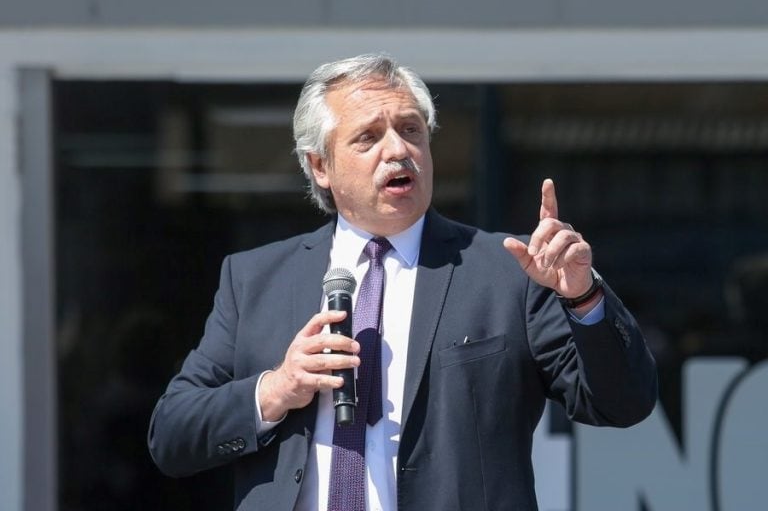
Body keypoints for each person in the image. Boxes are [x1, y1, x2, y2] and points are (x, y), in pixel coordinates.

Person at [148, 53, 657, 511]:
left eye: (411, 130)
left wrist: (584, 296)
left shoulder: (506, 271)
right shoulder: (255, 279)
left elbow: (623, 403)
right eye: (369, 137)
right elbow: (171, 436)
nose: (398, 150)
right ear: (320, 166)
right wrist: (277, 388)